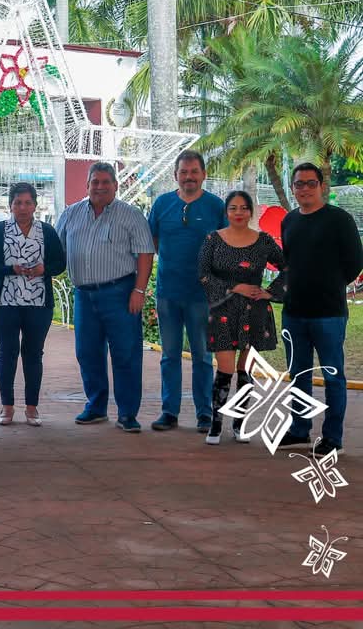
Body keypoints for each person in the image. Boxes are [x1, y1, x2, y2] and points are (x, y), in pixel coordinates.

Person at [56, 162, 155, 432]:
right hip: (84, 295)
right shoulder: (70, 214)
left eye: (105, 182)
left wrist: (139, 290)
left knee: (126, 354)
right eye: (94, 182)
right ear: (87, 185)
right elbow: (56, 250)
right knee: (87, 353)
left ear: (115, 185)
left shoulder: (131, 215)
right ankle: (96, 406)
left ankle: (127, 414)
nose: (99, 187)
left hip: (120, 293)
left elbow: (146, 253)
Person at [279, 163, 363, 456]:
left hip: (329, 313)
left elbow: (355, 262)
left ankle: (332, 437)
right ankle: (299, 429)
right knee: (298, 375)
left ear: (321, 186)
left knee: (333, 376)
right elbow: (288, 263)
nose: (304, 189)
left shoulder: (339, 220)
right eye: (299, 184)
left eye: (310, 183)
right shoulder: (289, 221)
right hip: (294, 313)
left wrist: (331, 283)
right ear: (292, 188)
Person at [197, 190, 286, 445]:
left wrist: (271, 292)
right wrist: (232, 288)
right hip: (223, 311)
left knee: (245, 372)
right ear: (226, 212)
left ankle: (239, 424)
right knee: (224, 370)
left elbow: (287, 267)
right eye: (233, 208)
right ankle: (216, 425)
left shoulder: (264, 241)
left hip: (254, 312)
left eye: (244, 208)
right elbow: (202, 275)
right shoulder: (213, 239)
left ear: (251, 211)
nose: (239, 213)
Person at [148, 150, 226, 433]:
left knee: (203, 357)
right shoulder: (162, 204)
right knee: (169, 356)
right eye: (184, 172)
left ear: (203, 174)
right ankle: (169, 412)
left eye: (194, 171)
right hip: (168, 292)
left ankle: (205, 414)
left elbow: (227, 246)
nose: (189, 177)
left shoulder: (216, 206)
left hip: (203, 297)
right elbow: (152, 241)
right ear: (175, 175)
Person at [0, 182, 66, 427]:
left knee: (33, 354)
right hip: (5, 303)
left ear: (35, 206)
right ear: (10, 205)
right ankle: (7, 407)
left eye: (28, 202)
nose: (23, 207)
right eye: (18, 202)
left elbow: (60, 264)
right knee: (6, 352)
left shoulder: (47, 232)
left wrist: (43, 269)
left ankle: (32, 407)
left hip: (38, 303)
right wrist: (10, 269)